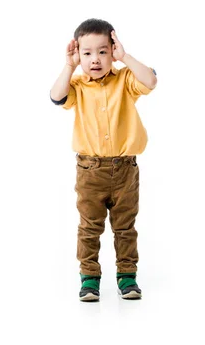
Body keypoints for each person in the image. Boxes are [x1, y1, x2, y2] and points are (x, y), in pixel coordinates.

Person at [50, 18, 157, 301]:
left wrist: (125, 57)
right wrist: (69, 65)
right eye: (87, 53)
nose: (95, 59)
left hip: (125, 170)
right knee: (89, 227)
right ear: (78, 55)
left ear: (112, 51)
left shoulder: (125, 80)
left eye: (102, 51)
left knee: (124, 227)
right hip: (90, 170)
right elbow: (56, 96)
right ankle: (89, 279)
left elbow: (150, 80)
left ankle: (127, 277)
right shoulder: (77, 85)